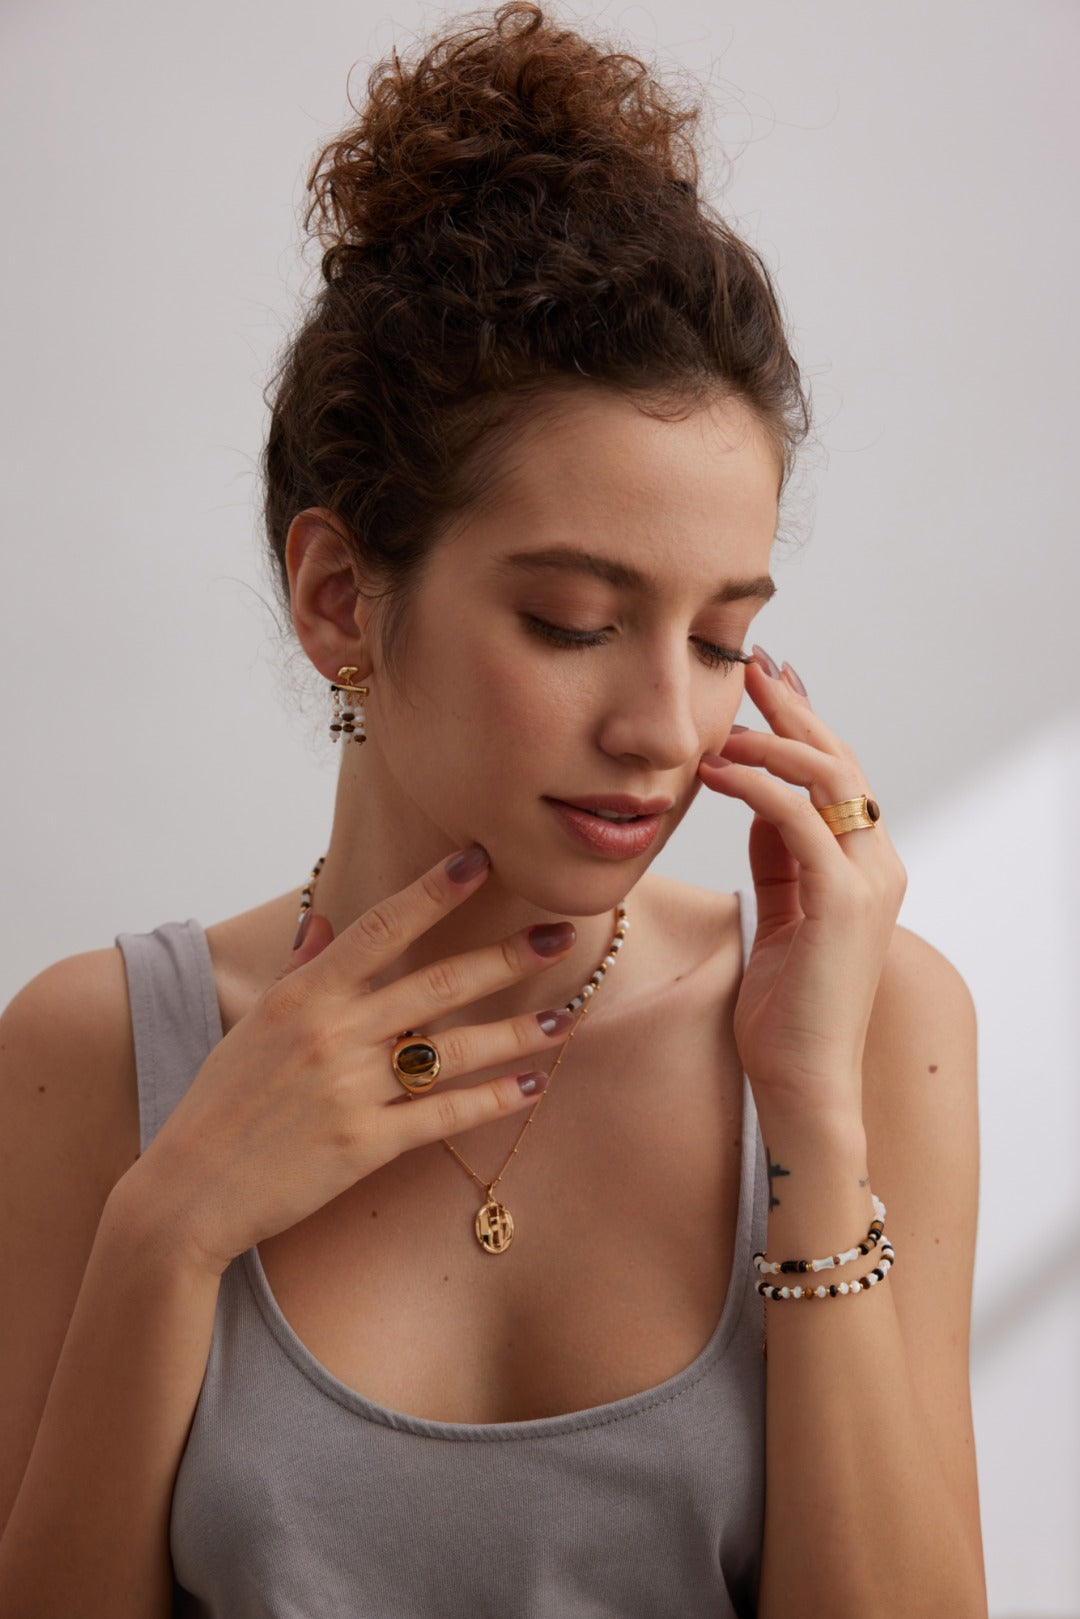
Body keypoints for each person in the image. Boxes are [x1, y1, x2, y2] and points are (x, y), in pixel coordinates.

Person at [0, 4, 987, 1615]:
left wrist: (811, 1119)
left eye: (724, 637)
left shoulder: (868, 1027)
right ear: (339, 597)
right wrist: (169, 1230)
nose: (668, 728)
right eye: (573, 621)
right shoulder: (94, 1055)